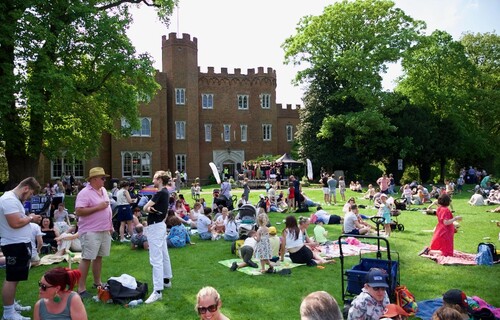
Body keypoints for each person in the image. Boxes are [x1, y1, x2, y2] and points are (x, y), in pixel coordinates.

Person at [0, 177, 42, 320]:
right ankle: (8, 313)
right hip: (14, 245)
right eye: (30, 193)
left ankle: (11, 304)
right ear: (26, 188)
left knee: (16, 277)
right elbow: (15, 223)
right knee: (12, 278)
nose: (30, 197)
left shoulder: (14, 200)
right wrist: (31, 218)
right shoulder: (9, 200)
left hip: (19, 243)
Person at [74, 167, 113, 299]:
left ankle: (97, 283)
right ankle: (81, 288)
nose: (104, 180)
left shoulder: (103, 191)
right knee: (86, 258)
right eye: (102, 178)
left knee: (99, 257)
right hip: (90, 231)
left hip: (104, 229)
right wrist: (98, 207)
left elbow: (107, 210)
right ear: (94, 179)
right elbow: (79, 211)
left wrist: (110, 225)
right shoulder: (84, 193)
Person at [143, 170, 173, 304]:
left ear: (160, 180)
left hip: (156, 227)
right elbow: (150, 208)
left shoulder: (160, 193)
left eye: (155, 178)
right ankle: (166, 280)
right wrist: (150, 209)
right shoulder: (165, 192)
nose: (153, 180)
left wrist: (148, 209)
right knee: (163, 254)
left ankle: (157, 291)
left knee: (156, 259)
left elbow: (144, 207)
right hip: (160, 225)